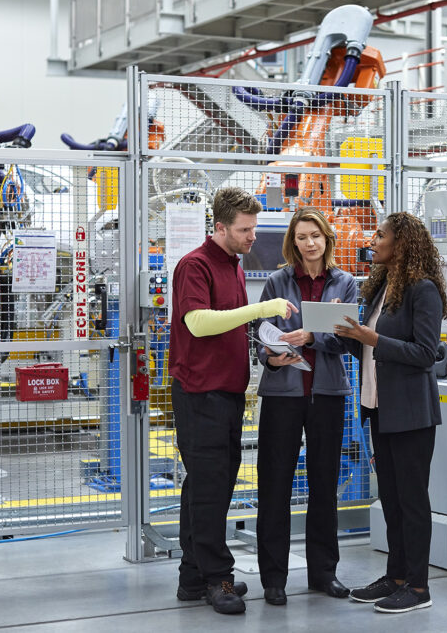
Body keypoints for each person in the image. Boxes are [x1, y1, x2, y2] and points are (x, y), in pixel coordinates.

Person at [169, 186, 296, 615]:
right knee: (209, 486)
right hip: (199, 392)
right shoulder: (195, 266)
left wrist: (274, 343)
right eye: (245, 230)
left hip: (226, 391)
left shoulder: (234, 267)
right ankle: (217, 576)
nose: (252, 237)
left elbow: (231, 327)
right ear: (219, 227)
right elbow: (200, 323)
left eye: (254, 228)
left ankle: (192, 576)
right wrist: (262, 311)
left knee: (212, 484)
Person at [333, 212, 447, 614]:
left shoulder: (423, 289)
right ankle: (395, 576)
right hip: (379, 409)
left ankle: (418, 588)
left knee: (412, 502)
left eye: (380, 234)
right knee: (392, 500)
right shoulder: (381, 287)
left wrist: (372, 337)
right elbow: (371, 352)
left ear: (401, 243)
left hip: (412, 415)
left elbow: (423, 353)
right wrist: (347, 334)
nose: (372, 239)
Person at [254, 207, 359, 606]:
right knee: (275, 485)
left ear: (326, 238)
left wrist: (310, 338)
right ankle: (274, 579)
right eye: (301, 237)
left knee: (323, 485)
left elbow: (348, 338)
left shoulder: (345, 283)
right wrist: (270, 355)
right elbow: (259, 335)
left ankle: (323, 573)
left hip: (327, 395)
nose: (309, 243)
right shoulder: (277, 282)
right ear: (292, 243)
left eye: (315, 235)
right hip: (283, 395)